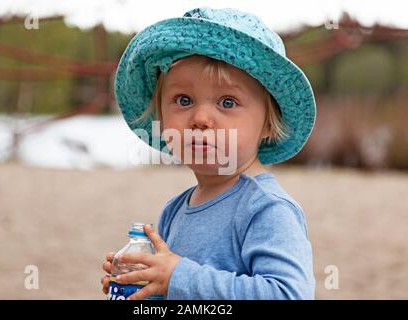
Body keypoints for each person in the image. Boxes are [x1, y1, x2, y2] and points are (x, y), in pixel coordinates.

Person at [101, 6, 317, 300]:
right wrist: (145, 285)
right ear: (162, 119)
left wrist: (177, 275)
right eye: (184, 99)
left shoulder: (266, 208)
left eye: (227, 102)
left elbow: (288, 294)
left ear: (268, 124)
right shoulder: (174, 210)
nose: (200, 118)